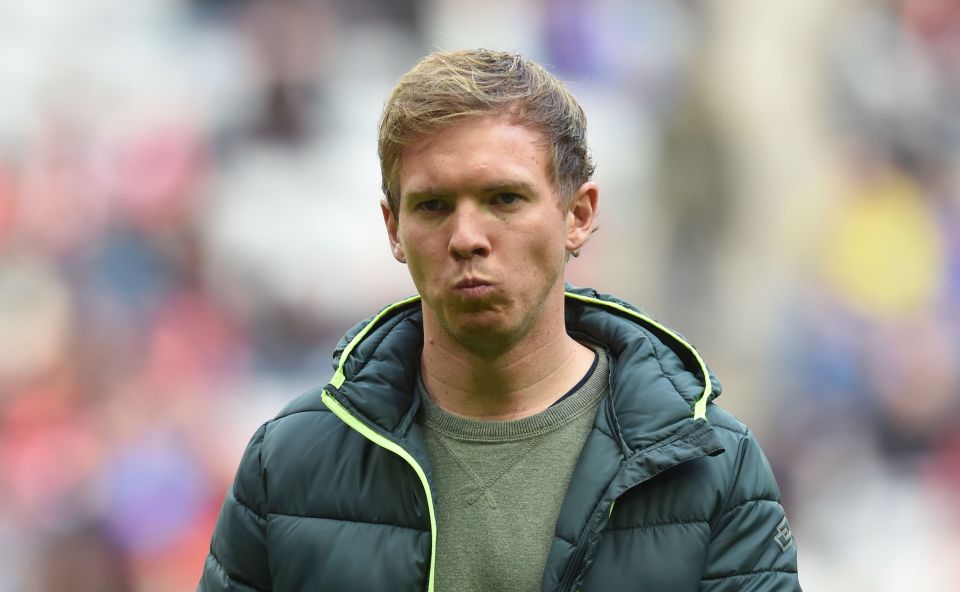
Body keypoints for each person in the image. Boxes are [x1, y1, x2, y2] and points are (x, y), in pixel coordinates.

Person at [198, 49, 801, 591]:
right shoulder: (290, 464)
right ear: (394, 229)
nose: (466, 237)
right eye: (433, 206)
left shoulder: (713, 467)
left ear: (578, 215)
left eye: (503, 199)